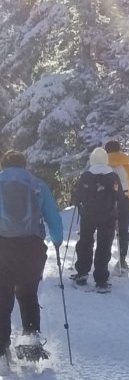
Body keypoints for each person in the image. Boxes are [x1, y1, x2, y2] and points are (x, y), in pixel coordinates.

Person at [0, 150, 63, 361]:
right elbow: (53, 216)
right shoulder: (37, 185)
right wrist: (57, 239)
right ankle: (31, 344)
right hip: (31, 248)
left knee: (2, 297)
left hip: (2, 248)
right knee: (28, 294)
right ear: (24, 165)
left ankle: (1, 350)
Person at [71, 147, 123, 292]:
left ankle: (82, 273)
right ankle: (101, 280)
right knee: (104, 246)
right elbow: (119, 196)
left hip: (88, 216)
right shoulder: (113, 176)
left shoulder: (86, 176)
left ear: (92, 160)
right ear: (106, 160)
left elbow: (77, 196)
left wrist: (77, 201)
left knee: (85, 243)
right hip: (108, 216)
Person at [104, 140, 129, 275]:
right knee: (123, 230)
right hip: (126, 201)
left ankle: (103, 261)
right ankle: (122, 261)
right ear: (119, 150)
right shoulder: (126, 167)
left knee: (107, 230)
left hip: (108, 202)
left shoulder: (103, 165)